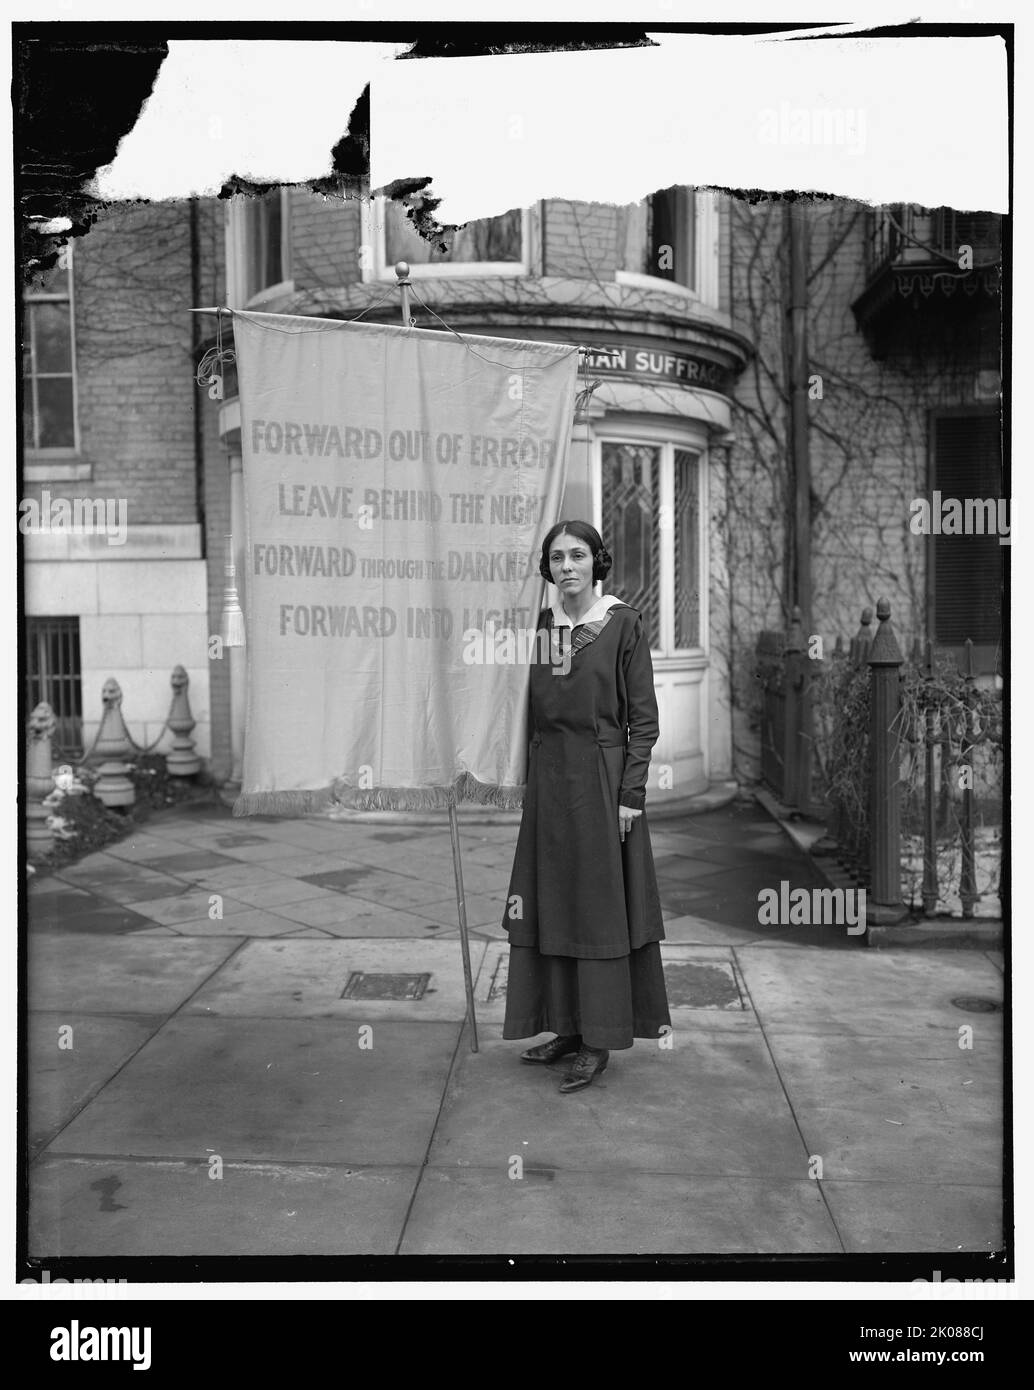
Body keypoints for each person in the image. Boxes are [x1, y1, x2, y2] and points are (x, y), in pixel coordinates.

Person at [501, 519, 671, 1093]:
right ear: (546, 568)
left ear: (597, 562)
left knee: (597, 908)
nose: (566, 566)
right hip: (550, 785)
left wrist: (631, 795)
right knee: (553, 902)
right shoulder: (543, 627)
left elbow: (643, 720)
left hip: (602, 782)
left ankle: (597, 1038)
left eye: (577, 556)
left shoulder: (621, 624)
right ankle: (565, 1028)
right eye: (556, 558)